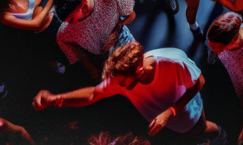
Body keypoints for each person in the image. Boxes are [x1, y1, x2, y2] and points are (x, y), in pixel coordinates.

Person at [32, 41, 227, 142]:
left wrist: (169, 112)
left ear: (139, 71)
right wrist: (57, 98)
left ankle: (220, 134)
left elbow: (199, 81)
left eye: (123, 83)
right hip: (165, 121)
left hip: (188, 114)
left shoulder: (173, 61)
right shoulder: (120, 78)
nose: (118, 87)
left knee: (199, 130)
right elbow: (93, 94)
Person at [53, 0, 136, 81]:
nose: (69, 23)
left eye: (71, 19)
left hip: (123, 41)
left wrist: (118, 27)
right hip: (100, 58)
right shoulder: (63, 33)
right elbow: (78, 55)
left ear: (83, 2)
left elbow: (131, 15)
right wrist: (91, 68)